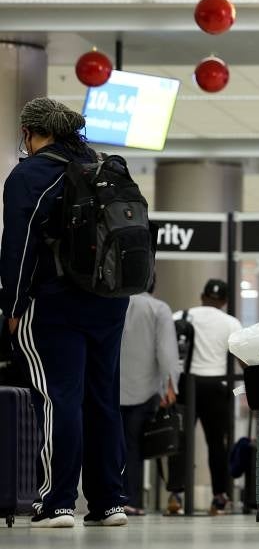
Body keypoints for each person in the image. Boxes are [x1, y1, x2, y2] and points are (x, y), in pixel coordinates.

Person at [0, 97, 130, 528]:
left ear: (30, 133)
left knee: (59, 400)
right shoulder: (106, 167)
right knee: (102, 400)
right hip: (110, 303)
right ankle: (109, 501)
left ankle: (56, 503)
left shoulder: (31, 174)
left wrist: (13, 306)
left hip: (54, 302)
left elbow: (19, 248)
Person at [165, 279, 241, 516]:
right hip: (216, 387)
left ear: (202, 295)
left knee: (179, 441)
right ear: (225, 301)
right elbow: (241, 355)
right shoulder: (231, 323)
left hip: (185, 386)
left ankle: (175, 495)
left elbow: (168, 351)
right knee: (217, 444)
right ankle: (219, 497)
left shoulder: (181, 316)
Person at [119, 280, 179, 516]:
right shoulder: (158, 308)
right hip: (144, 390)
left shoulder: (112, 302)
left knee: (110, 445)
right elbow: (166, 351)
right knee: (133, 446)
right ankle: (130, 500)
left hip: (109, 388)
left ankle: (108, 499)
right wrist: (169, 386)